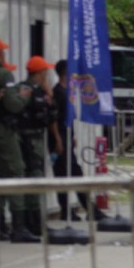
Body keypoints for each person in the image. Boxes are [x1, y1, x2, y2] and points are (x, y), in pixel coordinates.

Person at [0, 37, 39, 243]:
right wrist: (23, 96)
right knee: (15, 172)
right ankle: (19, 227)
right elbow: (13, 105)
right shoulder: (4, 73)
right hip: (4, 130)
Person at [17, 56, 56, 238]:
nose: (47, 75)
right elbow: (27, 111)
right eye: (45, 72)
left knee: (37, 177)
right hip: (28, 139)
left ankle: (36, 221)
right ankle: (31, 222)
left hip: (38, 139)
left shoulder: (41, 91)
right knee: (33, 178)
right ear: (39, 73)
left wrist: (49, 97)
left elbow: (50, 115)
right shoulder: (26, 88)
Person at [51, 59, 94, 221]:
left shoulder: (66, 91)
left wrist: (72, 136)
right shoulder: (58, 92)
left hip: (66, 136)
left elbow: (69, 119)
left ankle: (72, 209)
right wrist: (58, 140)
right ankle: (84, 208)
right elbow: (54, 119)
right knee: (70, 173)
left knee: (69, 173)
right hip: (60, 138)